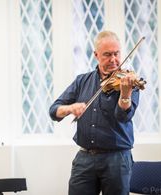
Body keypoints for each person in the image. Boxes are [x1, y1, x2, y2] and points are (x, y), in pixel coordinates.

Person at [49, 31, 139, 195]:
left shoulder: (128, 81)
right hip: (85, 159)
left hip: (117, 159)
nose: (113, 60)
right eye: (107, 55)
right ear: (96, 55)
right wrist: (70, 109)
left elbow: (123, 116)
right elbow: (54, 111)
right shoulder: (82, 81)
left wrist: (125, 94)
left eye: (116, 53)